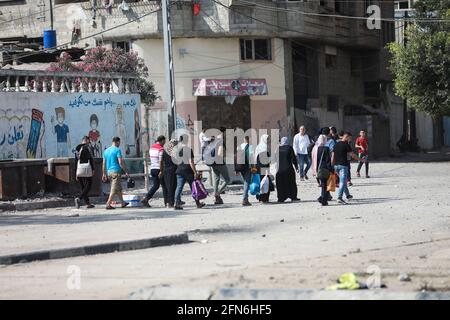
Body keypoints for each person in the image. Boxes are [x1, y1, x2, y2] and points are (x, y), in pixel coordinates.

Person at [174, 135, 206, 210]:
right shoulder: (188, 149)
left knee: (179, 187)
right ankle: (198, 203)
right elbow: (191, 162)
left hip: (179, 170)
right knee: (193, 187)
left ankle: (176, 203)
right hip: (188, 171)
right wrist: (195, 172)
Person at [102, 137, 130, 210]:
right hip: (116, 172)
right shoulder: (117, 150)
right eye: (119, 143)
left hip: (109, 172)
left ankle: (122, 202)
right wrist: (126, 171)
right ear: (117, 142)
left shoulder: (106, 151)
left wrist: (104, 174)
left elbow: (103, 164)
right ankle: (108, 203)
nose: (119, 144)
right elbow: (120, 162)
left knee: (118, 188)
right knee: (114, 189)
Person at [332, 132, 360, 204]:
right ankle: (339, 197)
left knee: (343, 181)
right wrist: (360, 159)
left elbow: (333, 156)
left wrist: (332, 165)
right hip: (343, 166)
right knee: (342, 182)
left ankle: (348, 195)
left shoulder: (336, 144)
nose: (350, 140)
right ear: (346, 137)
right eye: (350, 138)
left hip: (336, 166)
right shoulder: (346, 144)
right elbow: (352, 155)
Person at [141, 135, 168, 207]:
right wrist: (161, 171)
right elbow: (160, 161)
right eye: (164, 141)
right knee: (165, 186)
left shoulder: (152, 148)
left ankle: (146, 199)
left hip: (152, 169)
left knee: (156, 186)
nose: (164, 143)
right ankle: (167, 202)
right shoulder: (161, 149)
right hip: (159, 169)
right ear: (162, 141)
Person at [275, 137, 299, 203]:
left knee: (280, 184)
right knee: (291, 182)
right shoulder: (289, 148)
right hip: (288, 168)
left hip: (280, 170)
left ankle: (281, 198)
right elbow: (293, 158)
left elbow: (275, 159)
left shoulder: (278, 148)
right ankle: (293, 196)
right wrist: (296, 166)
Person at [209, 132, 231, 205]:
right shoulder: (220, 143)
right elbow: (219, 154)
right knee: (227, 180)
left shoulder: (212, 143)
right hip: (220, 163)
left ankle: (217, 198)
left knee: (216, 180)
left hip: (213, 164)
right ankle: (217, 193)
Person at [74, 136, 95, 209]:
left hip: (79, 169)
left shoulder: (77, 148)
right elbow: (91, 159)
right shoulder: (88, 147)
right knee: (89, 184)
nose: (89, 143)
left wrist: (76, 172)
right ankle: (79, 198)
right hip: (87, 168)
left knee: (83, 187)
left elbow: (76, 160)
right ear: (87, 141)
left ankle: (87, 203)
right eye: (89, 141)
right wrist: (93, 169)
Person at [311, 135, 332, 206]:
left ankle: (322, 198)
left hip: (318, 169)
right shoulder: (326, 148)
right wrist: (331, 169)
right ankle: (323, 200)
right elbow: (328, 160)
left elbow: (313, 159)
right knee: (324, 185)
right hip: (325, 169)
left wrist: (315, 170)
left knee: (323, 185)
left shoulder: (315, 149)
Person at [255, 134, 273, 203]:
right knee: (266, 182)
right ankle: (265, 198)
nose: (268, 140)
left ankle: (260, 198)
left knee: (260, 182)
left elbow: (255, 157)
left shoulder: (258, 146)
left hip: (258, 167)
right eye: (267, 139)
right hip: (264, 167)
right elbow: (267, 159)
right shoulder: (266, 147)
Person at [235, 136, 253, 206]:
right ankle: (245, 199)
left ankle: (246, 199)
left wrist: (236, 169)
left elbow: (236, 158)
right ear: (249, 139)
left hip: (240, 167)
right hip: (247, 167)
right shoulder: (251, 147)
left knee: (245, 182)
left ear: (244, 139)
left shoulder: (239, 147)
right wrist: (254, 167)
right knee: (246, 183)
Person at [162, 139, 179, 208]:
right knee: (172, 187)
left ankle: (166, 202)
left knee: (167, 187)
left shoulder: (164, 151)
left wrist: (161, 170)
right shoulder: (174, 151)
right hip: (172, 170)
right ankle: (170, 203)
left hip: (166, 170)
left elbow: (162, 161)